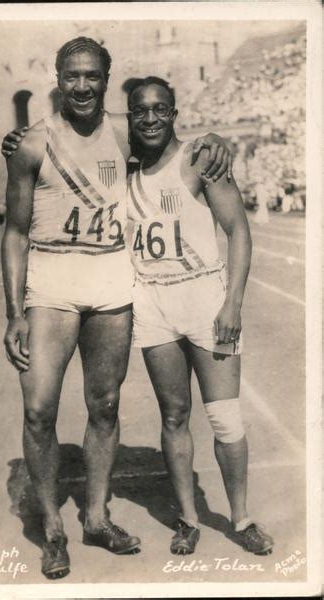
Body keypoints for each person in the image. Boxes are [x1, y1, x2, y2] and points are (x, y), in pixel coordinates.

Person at [1, 37, 233, 579]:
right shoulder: (32, 144)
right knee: (38, 409)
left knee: (104, 406)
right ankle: (53, 531)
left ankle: (97, 518)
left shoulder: (128, 132)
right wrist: (15, 311)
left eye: (92, 76)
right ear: (58, 77)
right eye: (72, 76)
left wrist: (212, 137)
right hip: (52, 281)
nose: (82, 86)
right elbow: (13, 232)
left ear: (107, 79)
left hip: (111, 278)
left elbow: (172, 138)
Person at [126, 76, 274, 556]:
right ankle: (188, 519)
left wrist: (233, 302)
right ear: (129, 117)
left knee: (225, 418)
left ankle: (242, 518)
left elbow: (239, 230)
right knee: (174, 415)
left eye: (160, 109)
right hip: (152, 305)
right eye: (140, 110)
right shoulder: (123, 169)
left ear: (174, 113)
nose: (150, 118)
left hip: (206, 300)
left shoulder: (199, 159)